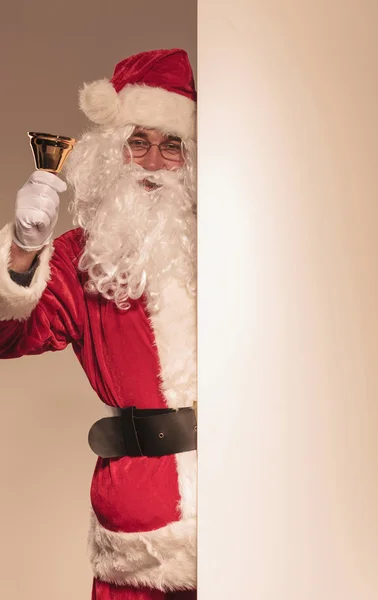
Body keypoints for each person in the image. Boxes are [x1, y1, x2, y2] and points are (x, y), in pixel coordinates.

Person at [0, 48, 197, 600]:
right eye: (139, 142)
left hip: (251, 502)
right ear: (114, 154)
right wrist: (21, 249)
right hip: (143, 522)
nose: (154, 162)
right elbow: (7, 333)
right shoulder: (82, 256)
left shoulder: (229, 243)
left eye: (172, 145)